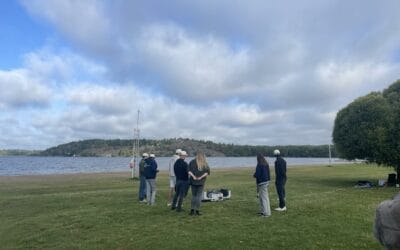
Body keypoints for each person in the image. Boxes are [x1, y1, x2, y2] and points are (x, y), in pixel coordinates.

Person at [188, 151, 210, 216]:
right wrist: (200, 177)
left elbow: (189, 171)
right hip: (201, 182)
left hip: (193, 181)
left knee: (194, 196)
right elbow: (207, 173)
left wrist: (193, 176)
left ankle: (192, 210)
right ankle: (197, 210)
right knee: (198, 196)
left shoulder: (192, 162)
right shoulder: (205, 163)